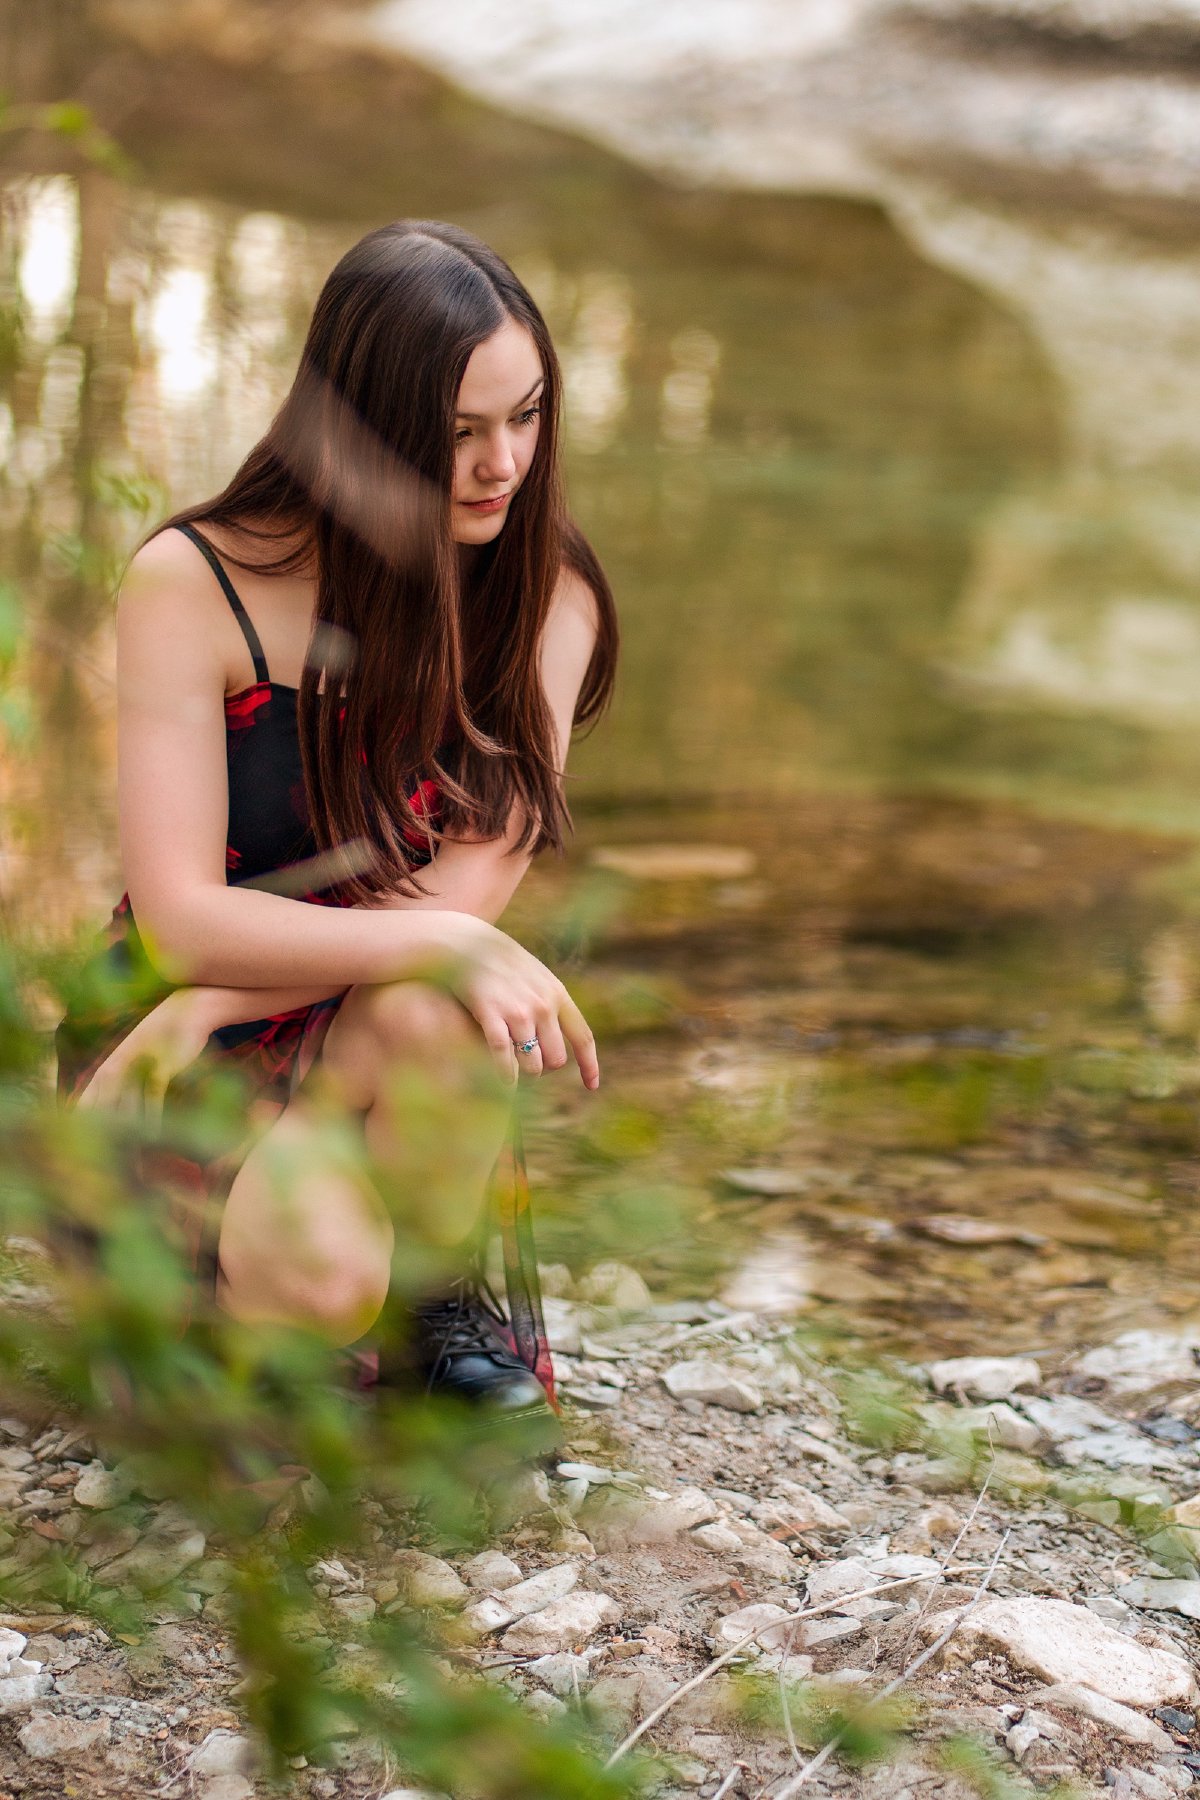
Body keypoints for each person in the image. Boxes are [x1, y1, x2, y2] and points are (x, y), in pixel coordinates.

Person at [53, 218, 618, 1430]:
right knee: (322, 1254)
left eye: (524, 417)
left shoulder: (543, 592)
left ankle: (408, 1297)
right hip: (169, 1040)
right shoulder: (193, 583)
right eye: (456, 433)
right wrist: (196, 1000)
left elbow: (452, 913)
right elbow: (178, 921)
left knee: (444, 1011)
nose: (500, 465)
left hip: (339, 1009)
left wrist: (221, 985)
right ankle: (270, 1290)